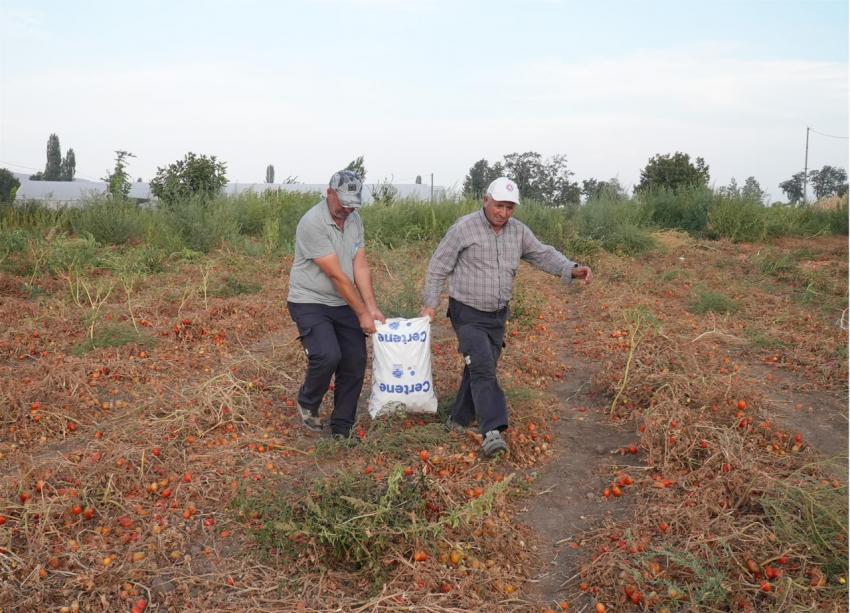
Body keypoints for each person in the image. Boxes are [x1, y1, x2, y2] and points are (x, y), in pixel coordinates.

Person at [420, 177, 592, 458]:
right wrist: (430, 304)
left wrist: (572, 269)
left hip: (497, 315)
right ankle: (492, 431)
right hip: (467, 311)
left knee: (477, 367)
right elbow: (439, 266)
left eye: (510, 207)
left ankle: (458, 420)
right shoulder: (464, 228)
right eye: (499, 205)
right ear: (486, 200)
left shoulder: (518, 232)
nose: (503, 213)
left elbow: (542, 254)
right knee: (483, 366)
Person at [287, 169, 385, 443]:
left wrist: (372, 307)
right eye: (342, 201)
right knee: (327, 355)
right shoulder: (312, 223)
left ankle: (342, 425)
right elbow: (338, 276)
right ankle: (308, 401)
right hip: (309, 299)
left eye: (353, 203)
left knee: (354, 360)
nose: (347, 208)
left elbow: (359, 265)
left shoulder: (354, 220)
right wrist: (362, 313)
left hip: (342, 301)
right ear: (329, 192)